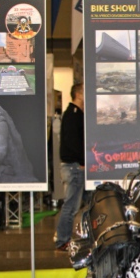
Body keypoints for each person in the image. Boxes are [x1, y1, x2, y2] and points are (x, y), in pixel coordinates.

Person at [55, 83, 86, 250]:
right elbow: (73, 143)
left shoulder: (76, 114)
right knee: (71, 206)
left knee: (79, 204)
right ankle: (62, 240)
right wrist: (82, 162)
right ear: (78, 95)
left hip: (75, 166)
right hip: (74, 167)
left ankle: (67, 237)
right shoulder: (73, 115)